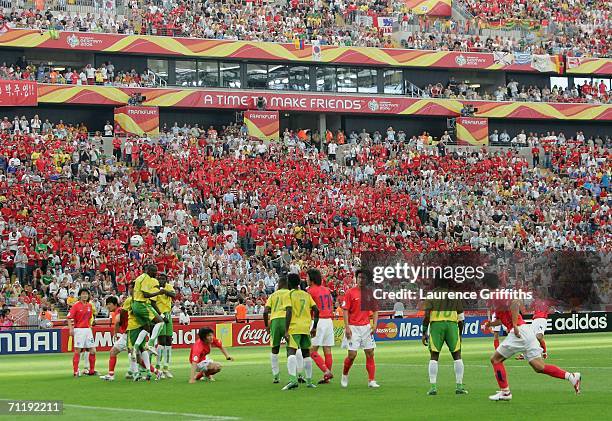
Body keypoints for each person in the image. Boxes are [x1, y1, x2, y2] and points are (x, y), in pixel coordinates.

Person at [486, 296, 581, 401]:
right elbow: (501, 320)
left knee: (495, 360)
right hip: (526, 332)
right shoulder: (497, 306)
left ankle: (505, 392)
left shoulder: (498, 297)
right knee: (539, 367)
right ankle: (572, 377)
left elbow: (515, 303)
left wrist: (514, 325)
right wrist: (490, 324)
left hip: (519, 332)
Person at [421, 279, 467, 395]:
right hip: (452, 326)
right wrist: (460, 334)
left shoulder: (431, 295)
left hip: (437, 326)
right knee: (457, 355)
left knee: (434, 356)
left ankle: (433, 387)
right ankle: (459, 386)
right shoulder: (455, 295)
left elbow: (426, 316)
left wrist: (424, 331)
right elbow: (461, 318)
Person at [341, 269, 379, 388]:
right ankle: (344, 375)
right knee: (352, 355)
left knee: (370, 353)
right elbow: (345, 310)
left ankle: (371, 380)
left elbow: (376, 310)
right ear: (356, 278)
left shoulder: (370, 293)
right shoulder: (350, 293)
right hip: (353, 327)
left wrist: (375, 324)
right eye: (359, 277)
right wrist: (347, 327)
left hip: (366, 327)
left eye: (364, 278)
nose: (361, 280)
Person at [281, 273, 319, 390]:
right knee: (306, 353)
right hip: (305, 327)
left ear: (289, 283)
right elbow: (316, 310)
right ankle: (308, 381)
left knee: (291, 352)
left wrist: (286, 330)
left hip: (294, 327)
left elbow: (289, 311)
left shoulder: (289, 295)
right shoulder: (306, 294)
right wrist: (314, 327)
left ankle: (293, 380)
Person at [306, 268, 334, 384]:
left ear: (311, 279)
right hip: (329, 321)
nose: (306, 279)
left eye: (307, 277)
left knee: (312, 351)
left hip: (318, 321)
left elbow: (309, 309)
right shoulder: (326, 290)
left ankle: (326, 371)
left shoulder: (310, 291)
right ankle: (326, 378)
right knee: (327, 350)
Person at [131, 264, 166, 351]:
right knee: (160, 322)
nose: (155, 274)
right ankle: (150, 343)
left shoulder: (139, 277)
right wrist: (158, 293)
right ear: (150, 271)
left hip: (135, 304)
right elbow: (145, 295)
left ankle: (135, 347)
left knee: (147, 328)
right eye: (155, 272)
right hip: (141, 304)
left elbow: (133, 290)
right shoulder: (146, 278)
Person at [263, 276, 290, 383]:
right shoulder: (290, 293)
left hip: (274, 321)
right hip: (286, 320)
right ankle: (296, 375)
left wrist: (266, 326)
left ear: (279, 284)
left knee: (274, 349)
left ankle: (275, 376)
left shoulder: (273, 295)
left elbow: (265, 312)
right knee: (292, 348)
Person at [67, 288, 97, 377]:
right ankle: (76, 371)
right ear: (80, 295)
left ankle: (91, 371)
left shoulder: (89, 306)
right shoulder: (76, 305)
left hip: (88, 329)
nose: (85, 295)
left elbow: (90, 318)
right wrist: (70, 329)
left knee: (93, 350)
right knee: (78, 350)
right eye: (83, 294)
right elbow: (69, 317)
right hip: (79, 330)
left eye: (86, 294)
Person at [152, 273, 176, 378]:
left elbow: (174, 295)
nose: (161, 280)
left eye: (163, 279)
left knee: (168, 341)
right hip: (160, 316)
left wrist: (163, 290)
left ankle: (166, 368)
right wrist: (161, 315)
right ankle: (158, 368)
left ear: (166, 280)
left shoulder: (169, 287)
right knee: (161, 342)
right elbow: (153, 304)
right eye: (159, 279)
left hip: (169, 315)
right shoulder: (154, 289)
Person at [100, 295, 129, 381]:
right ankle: (111, 374)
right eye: (107, 304)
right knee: (113, 352)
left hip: (128, 335)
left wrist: (115, 333)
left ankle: (156, 371)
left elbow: (117, 321)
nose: (108, 306)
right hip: (127, 334)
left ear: (115, 304)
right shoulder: (120, 309)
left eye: (109, 304)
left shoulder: (118, 310)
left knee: (137, 356)